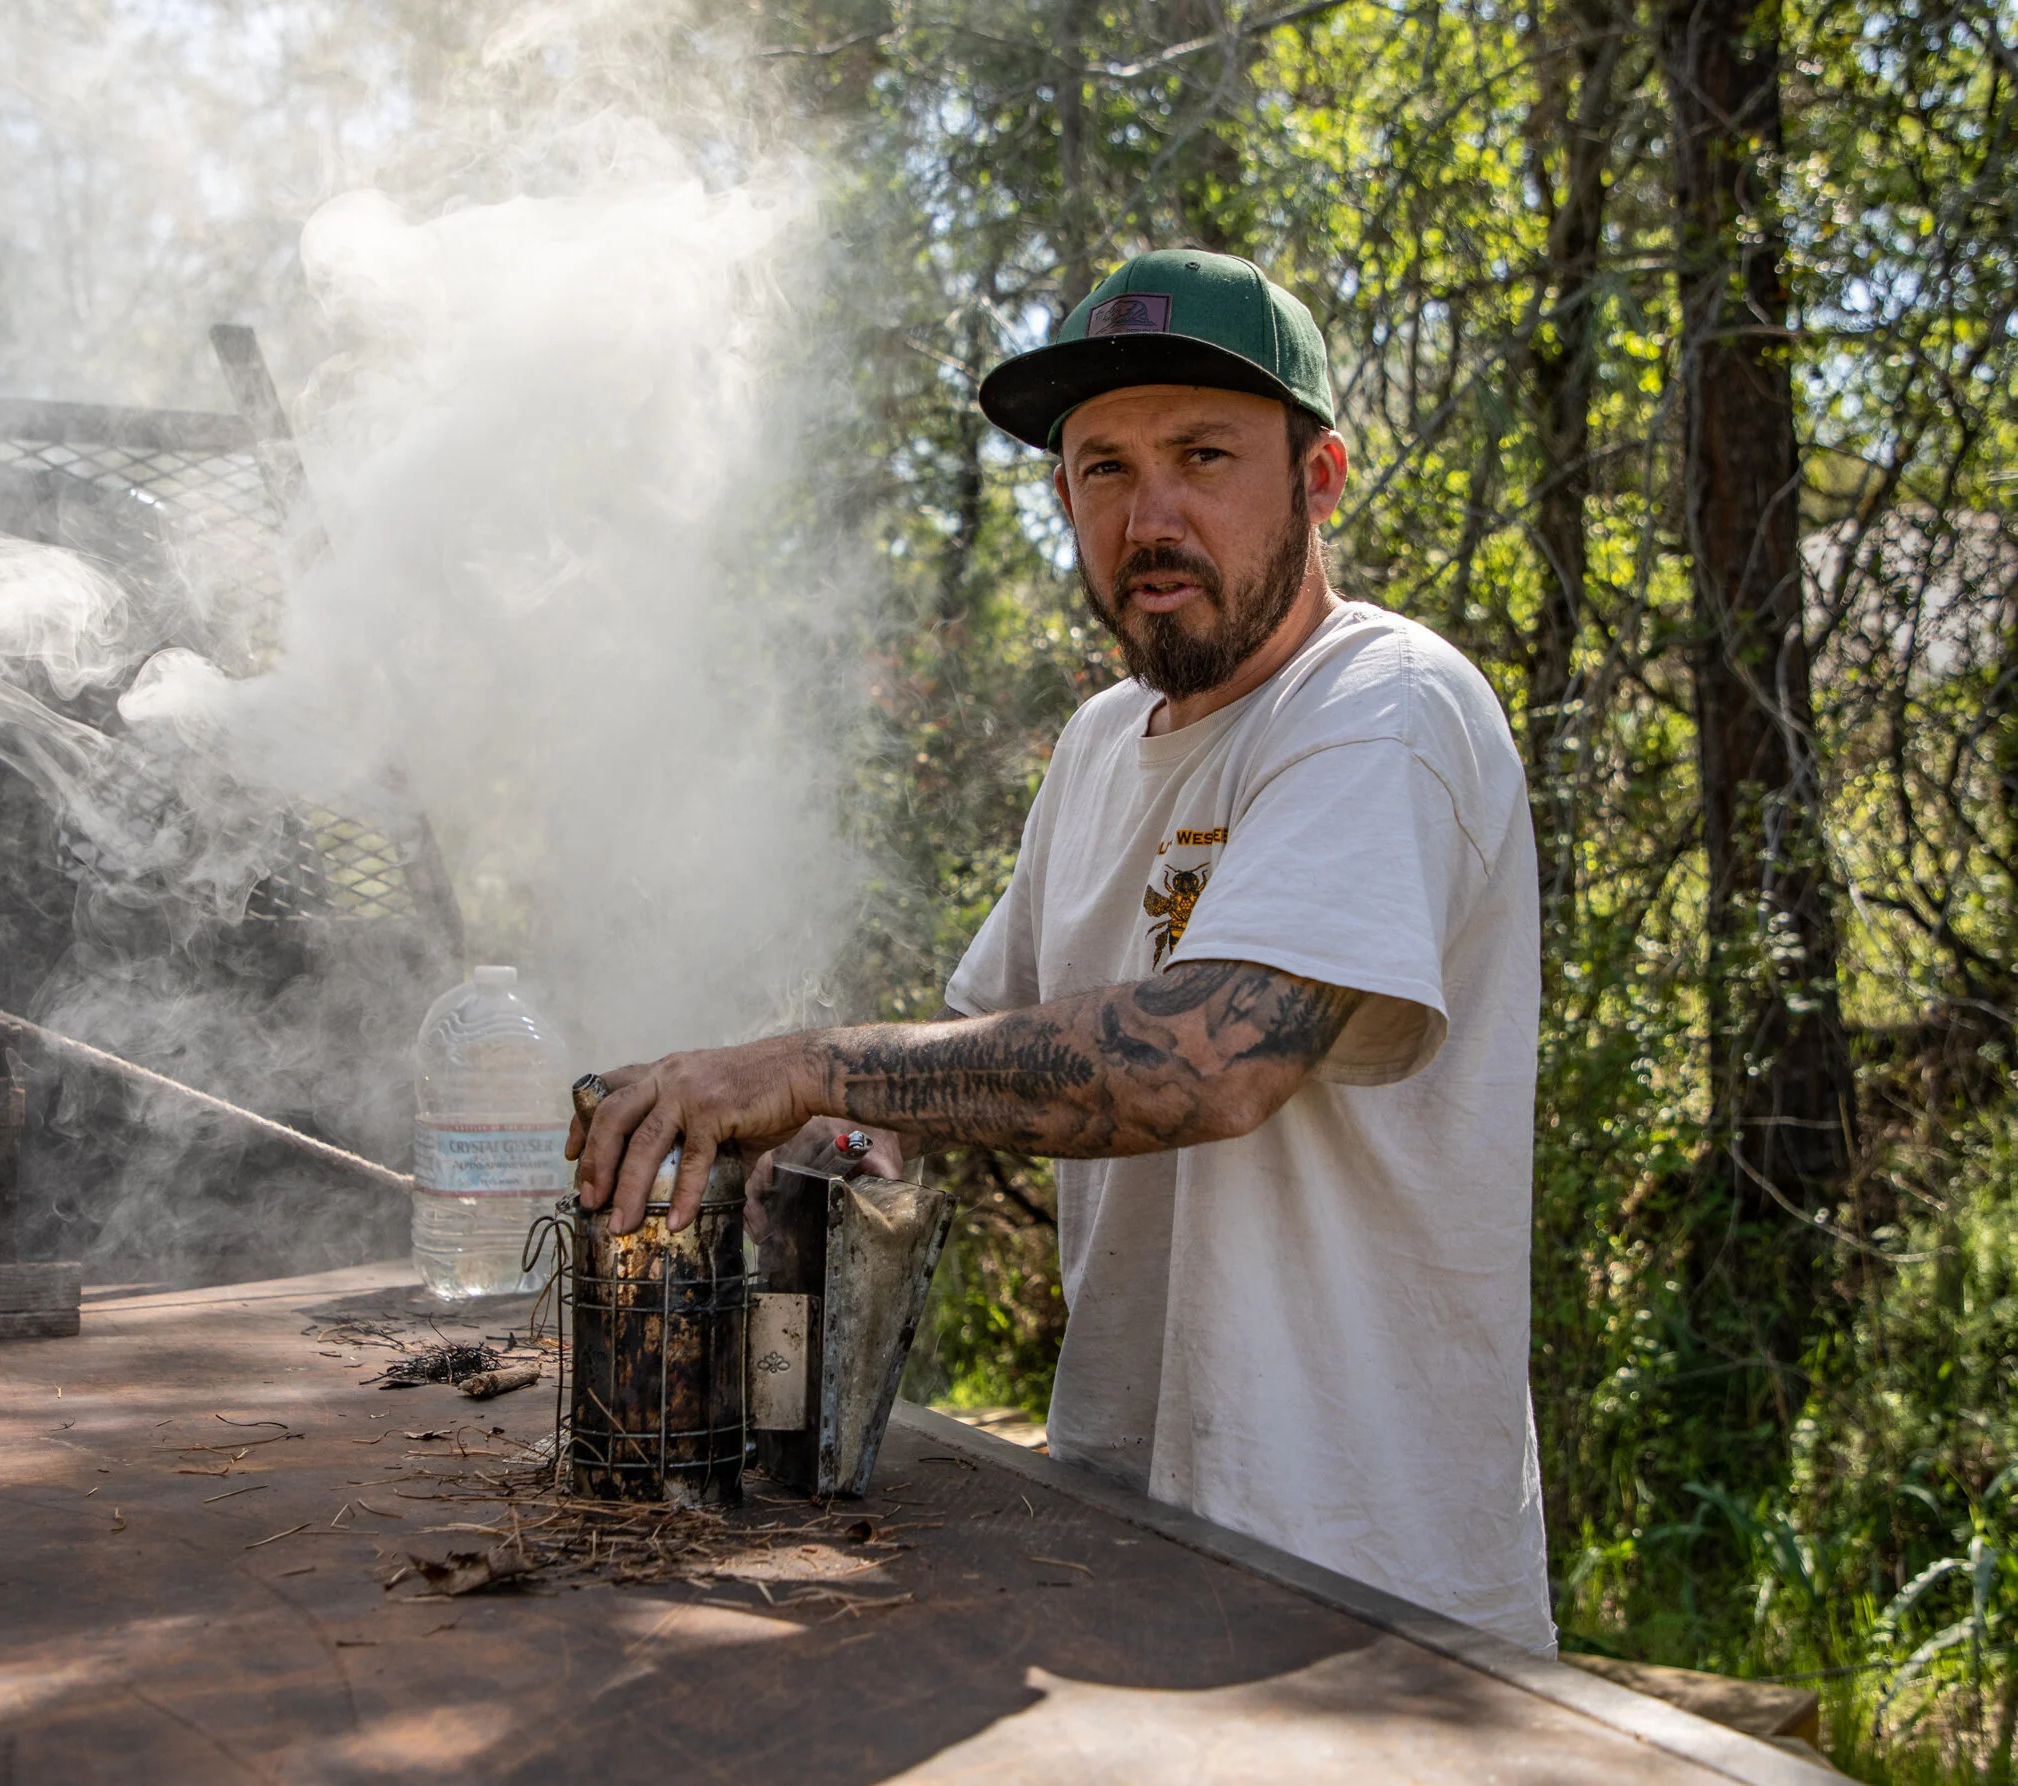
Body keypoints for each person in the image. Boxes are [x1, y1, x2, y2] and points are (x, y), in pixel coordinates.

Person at [567, 249, 1554, 1655]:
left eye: (1204, 456)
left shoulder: (1385, 705)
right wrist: (816, 1147)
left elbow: (1202, 1063)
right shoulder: (1099, 746)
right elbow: (980, 1061)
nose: (1151, 518)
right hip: (1131, 1534)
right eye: (1105, 470)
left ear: (1320, 477)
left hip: (1365, 1583)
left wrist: (811, 1065)